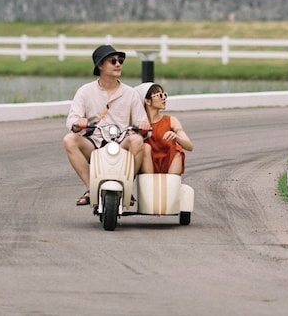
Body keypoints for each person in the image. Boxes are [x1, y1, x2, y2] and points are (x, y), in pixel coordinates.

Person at [63, 44, 149, 206]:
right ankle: (91, 188)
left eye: (120, 61)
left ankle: (127, 187)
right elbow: (72, 120)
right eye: (113, 61)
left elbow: (141, 121)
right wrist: (78, 123)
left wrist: (142, 127)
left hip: (121, 142)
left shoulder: (130, 93)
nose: (118, 64)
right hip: (95, 144)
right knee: (69, 139)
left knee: (138, 141)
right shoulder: (85, 91)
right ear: (100, 65)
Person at [135, 82, 193, 175]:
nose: (164, 98)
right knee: (145, 147)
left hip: (169, 165)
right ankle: (149, 184)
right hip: (148, 166)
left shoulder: (171, 120)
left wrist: (176, 137)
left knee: (178, 150)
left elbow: (189, 146)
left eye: (165, 94)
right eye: (160, 95)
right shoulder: (138, 124)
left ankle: (171, 184)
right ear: (148, 101)